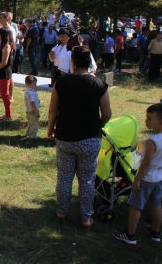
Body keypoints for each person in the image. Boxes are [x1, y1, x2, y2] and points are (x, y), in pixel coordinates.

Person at [48, 46, 111, 228]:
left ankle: (62, 210)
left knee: (65, 177)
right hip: (90, 138)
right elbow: (107, 113)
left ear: (72, 62)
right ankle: (86, 217)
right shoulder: (99, 84)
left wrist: (50, 128)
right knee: (87, 179)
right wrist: (98, 126)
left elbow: (53, 109)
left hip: (65, 136)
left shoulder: (61, 82)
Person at [112, 104, 162, 245]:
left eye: (149, 119)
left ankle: (130, 234)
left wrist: (137, 180)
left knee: (135, 206)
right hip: (159, 178)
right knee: (156, 205)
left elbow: (146, 163)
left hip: (146, 179)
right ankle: (155, 232)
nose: (146, 121)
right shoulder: (155, 140)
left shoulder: (152, 142)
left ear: (160, 122)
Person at [0, 27, 13, 120]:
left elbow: (4, 62)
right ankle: (7, 114)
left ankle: (8, 115)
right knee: (3, 94)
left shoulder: (7, 46)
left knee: (4, 95)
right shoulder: (1, 45)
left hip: (4, 73)